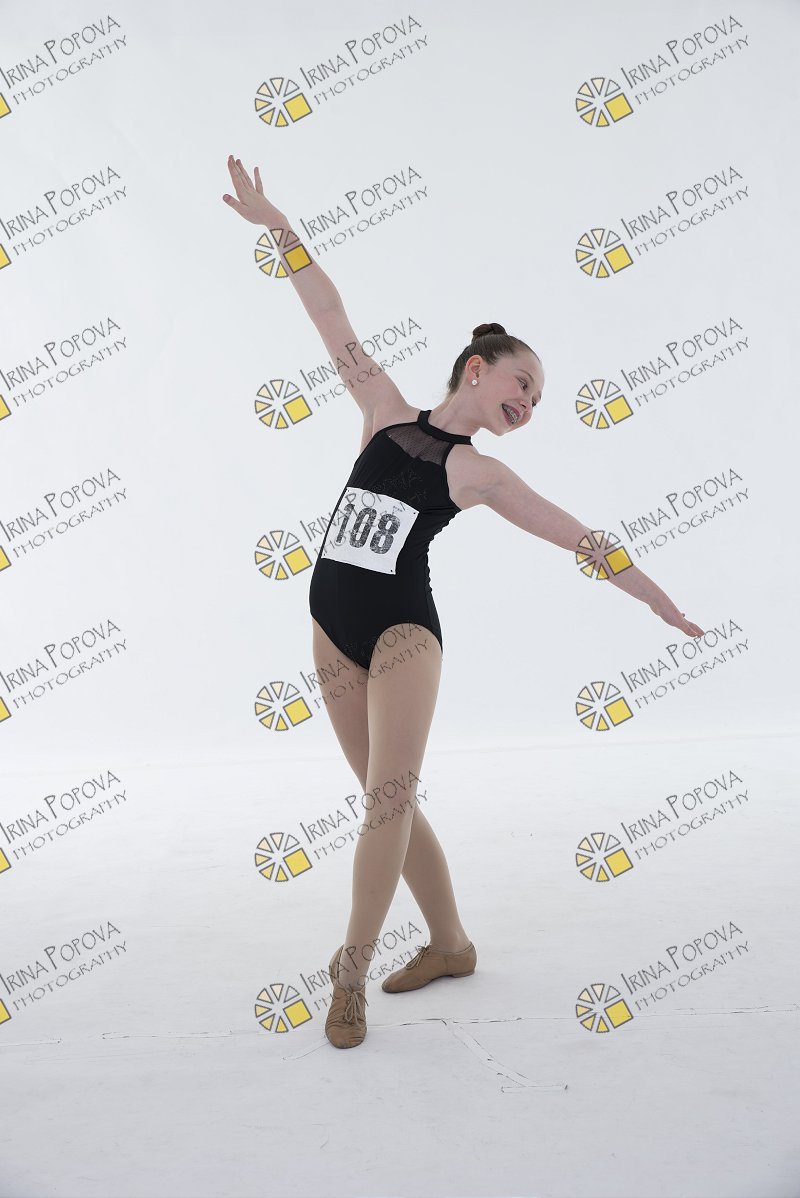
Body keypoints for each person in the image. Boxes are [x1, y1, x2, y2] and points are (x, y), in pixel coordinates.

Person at [223, 156, 705, 1050]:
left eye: (538, 400)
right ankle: (450, 945)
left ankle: (349, 971)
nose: (531, 404)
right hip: (330, 628)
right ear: (478, 370)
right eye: (524, 386)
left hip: (404, 634)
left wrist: (656, 600)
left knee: (387, 800)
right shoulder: (382, 408)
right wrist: (279, 228)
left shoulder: (478, 473)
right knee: (387, 798)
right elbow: (328, 314)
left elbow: (578, 536)